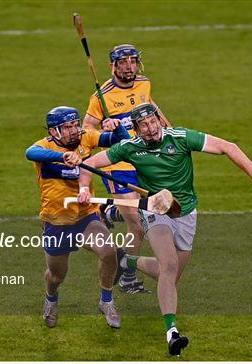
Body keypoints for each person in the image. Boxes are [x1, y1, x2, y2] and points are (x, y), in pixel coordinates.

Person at [77, 103, 252, 355]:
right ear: (136, 130)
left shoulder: (181, 138)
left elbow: (229, 147)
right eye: (144, 126)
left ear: (160, 120)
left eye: (153, 122)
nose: (150, 129)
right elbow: (87, 165)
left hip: (186, 212)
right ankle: (172, 333)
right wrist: (84, 189)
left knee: (169, 276)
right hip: (155, 211)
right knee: (169, 266)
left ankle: (125, 260)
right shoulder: (130, 148)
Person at [25, 106, 130, 329]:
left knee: (108, 252)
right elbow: (30, 153)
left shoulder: (86, 138)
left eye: (75, 125)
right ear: (54, 131)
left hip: (86, 217)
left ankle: (106, 300)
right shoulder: (44, 147)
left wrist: (117, 129)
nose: (74, 131)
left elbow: (123, 143)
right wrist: (62, 156)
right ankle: (51, 299)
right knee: (56, 276)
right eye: (67, 127)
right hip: (56, 222)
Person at [82, 44, 170, 294]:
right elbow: (86, 130)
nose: (130, 66)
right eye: (124, 62)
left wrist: (170, 131)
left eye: (133, 61)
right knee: (139, 226)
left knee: (157, 209)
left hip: (143, 158)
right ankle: (128, 275)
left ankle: (109, 213)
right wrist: (104, 128)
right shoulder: (102, 96)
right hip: (117, 163)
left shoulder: (144, 83)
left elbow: (152, 107)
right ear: (114, 66)